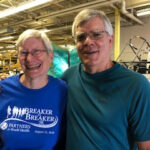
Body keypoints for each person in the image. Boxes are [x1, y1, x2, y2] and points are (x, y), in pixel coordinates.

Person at [62, 9, 150, 150]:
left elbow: (146, 146)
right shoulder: (68, 77)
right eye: (81, 37)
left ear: (110, 40)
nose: (88, 42)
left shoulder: (136, 86)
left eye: (97, 34)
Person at [0, 29, 67, 150]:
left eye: (36, 52)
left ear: (50, 56)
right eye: (23, 52)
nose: (29, 59)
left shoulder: (62, 91)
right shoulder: (3, 89)